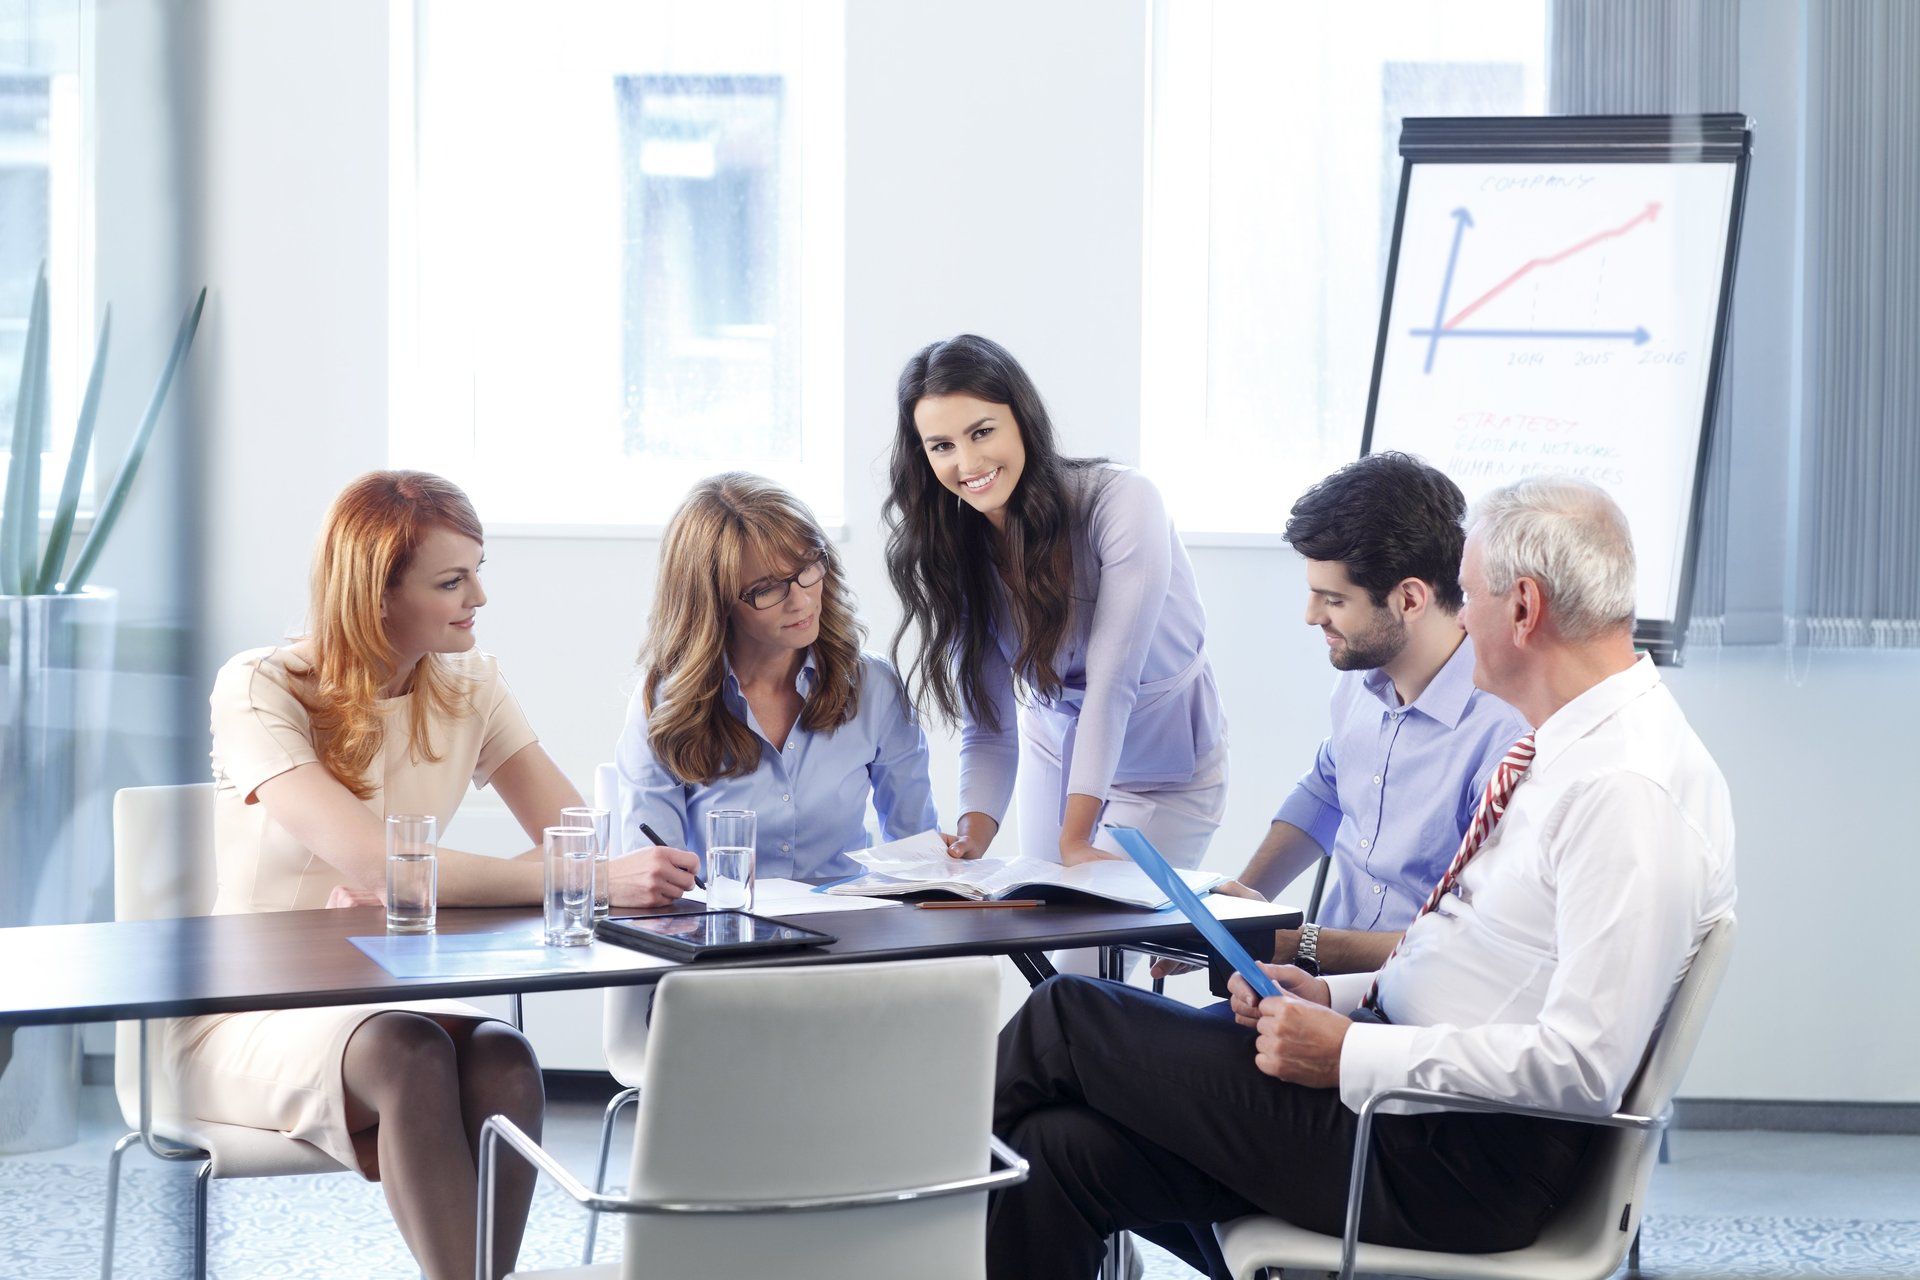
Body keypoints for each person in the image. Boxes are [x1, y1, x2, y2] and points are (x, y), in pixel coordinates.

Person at [987, 476, 1736, 1279]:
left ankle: (866, 1204)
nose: (1459, 613)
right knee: (1055, 1153)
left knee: (1067, 1017)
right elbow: (1477, 963)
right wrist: (1331, 1000)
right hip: (1405, 1097)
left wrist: (1347, 1054)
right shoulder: (1568, 749)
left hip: (1449, 1153)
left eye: (1470, 594)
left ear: (1522, 609)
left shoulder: (1623, 789)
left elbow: (1585, 1069)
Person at [167, 471, 699, 1280]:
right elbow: (383, 864)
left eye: (477, 570)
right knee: (410, 1052)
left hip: (379, 997)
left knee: (506, 1058)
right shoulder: (261, 688)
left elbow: (574, 836)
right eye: (452, 580)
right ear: (375, 593)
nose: (478, 596)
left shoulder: (468, 684)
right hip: (244, 1011)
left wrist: (442, 881)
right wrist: (560, 880)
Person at [1157, 453, 1529, 984]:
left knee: (1071, 1019)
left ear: (1409, 598)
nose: (1312, 616)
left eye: (1333, 599)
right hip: (1312, 987)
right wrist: (1238, 913)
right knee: (1076, 1012)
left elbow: (1469, 946)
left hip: (1393, 1015)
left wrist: (1295, 942)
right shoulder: (1361, 680)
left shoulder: (1504, 736)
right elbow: (1326, 791)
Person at [884, 333, 1227, 876]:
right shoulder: (956, 546)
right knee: (1040, 941)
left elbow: (1112, 683)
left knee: (1084, 943)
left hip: (1166, 765)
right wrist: (971, 837)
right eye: (942, 446)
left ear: (1021, 418)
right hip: (1058, 750)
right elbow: (988, 721)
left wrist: (1075, 841)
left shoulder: (1122, 501)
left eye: (982, 432)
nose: (967, 461)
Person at [616, 472, 939, 881]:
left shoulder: (874, 686)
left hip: (852, 936)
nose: (802, 600)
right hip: (722, 934)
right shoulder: (665, 704)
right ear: (715, 603)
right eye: (767, 589)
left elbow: (917, 855)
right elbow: (656, 881)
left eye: (808, 568)